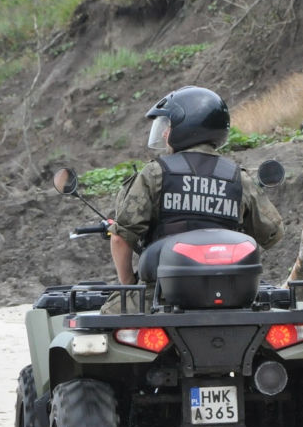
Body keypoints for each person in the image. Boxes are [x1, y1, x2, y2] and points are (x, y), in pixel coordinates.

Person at [109, 86, 284, 289]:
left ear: (187, 125)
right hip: (230, 293)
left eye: (168, 126)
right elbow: (273, 233)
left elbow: (120, 238)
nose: (164, 133)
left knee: (107, 315)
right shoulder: (238, 178)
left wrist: (128, 283)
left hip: (163, 294)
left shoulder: (156, 174)